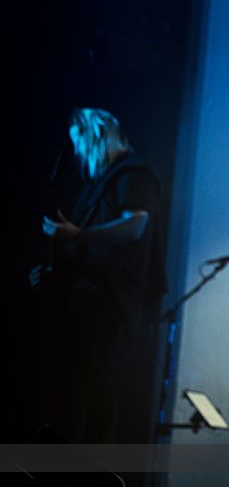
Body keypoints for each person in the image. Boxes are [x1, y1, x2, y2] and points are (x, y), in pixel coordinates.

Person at [40, 107, 166, 443]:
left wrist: (77, 235)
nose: (78, 153)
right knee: (78, 380)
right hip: (88, 293)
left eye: (79, 142)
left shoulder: (133, 174)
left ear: (95, 135)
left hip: (103, 296)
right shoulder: (104, 182)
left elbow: (135, 226)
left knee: (92, 381)